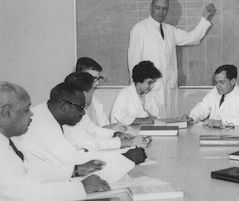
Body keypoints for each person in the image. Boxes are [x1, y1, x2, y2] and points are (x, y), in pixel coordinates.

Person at [0, 81, 109, 201]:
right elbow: (26, 199)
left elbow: (31, 170)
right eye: (26, 110)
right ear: (7, 112)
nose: (32, 113)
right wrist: (81, 187)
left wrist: (73, 170)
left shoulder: (6, 143)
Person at [15, 82, 145, 181]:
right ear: (63, 106)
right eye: (80, 108)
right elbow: (73, 162)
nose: (83, 113)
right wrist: (125, 157)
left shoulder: (50, 115)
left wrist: (122, 151)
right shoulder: (42, 124)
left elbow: (79, 150)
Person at [128, 0, 216, 118]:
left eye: (165, 9)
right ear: (151, 7)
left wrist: (205, 18)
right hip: (150, 91)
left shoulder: (170, 30)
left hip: (169, 89)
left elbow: (192, 38)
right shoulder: (139, 29)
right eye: (157, 8)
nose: (161, 12)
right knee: (153, 126)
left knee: (170, 125)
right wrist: (137, 94)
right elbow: (133, 63)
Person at [64, 72, 150, 151]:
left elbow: (94, 130)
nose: (92, 94)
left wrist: (116, 135)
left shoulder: (80, 109)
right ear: (84, 93)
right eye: (92, 90)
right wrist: (124, 142)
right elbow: (87, 142)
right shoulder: (69, 114)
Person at [183, 64, 239, 128]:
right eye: (216, 82)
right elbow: (203, 106)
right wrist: (192, 117)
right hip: (211, 134)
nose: (218, 86)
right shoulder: (215, 91)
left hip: (228, 138)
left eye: (221, 82)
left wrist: (221, 122)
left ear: (233, 81)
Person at [111, 61, 162, 126]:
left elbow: (155, 116)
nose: (152, 86)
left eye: (153, 83)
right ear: (139, 79)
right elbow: (118, 116)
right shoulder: (125, 94)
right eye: (149, 83)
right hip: (128, 133)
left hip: (145, 131)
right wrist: (144, 120)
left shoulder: (148, 95)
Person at [75, 57, 115, 128]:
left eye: (98, 79)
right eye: (94, 79)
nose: (97, 83)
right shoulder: (71, 101)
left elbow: (104, 123)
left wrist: (113, 127)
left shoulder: (95, 101)